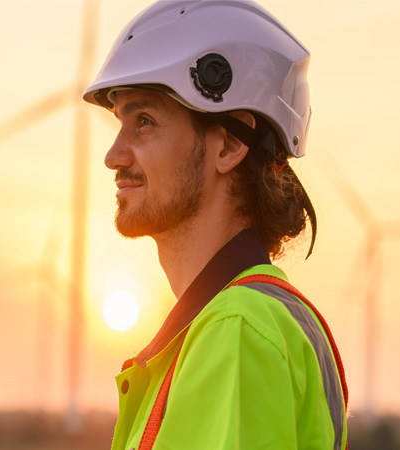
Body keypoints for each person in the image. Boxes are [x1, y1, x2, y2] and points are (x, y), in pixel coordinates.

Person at [81, 1, 348, 449]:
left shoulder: (238, 329)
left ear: (227, 144)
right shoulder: (248, 322)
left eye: (144, 121)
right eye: (120, 123)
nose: (114, 156)